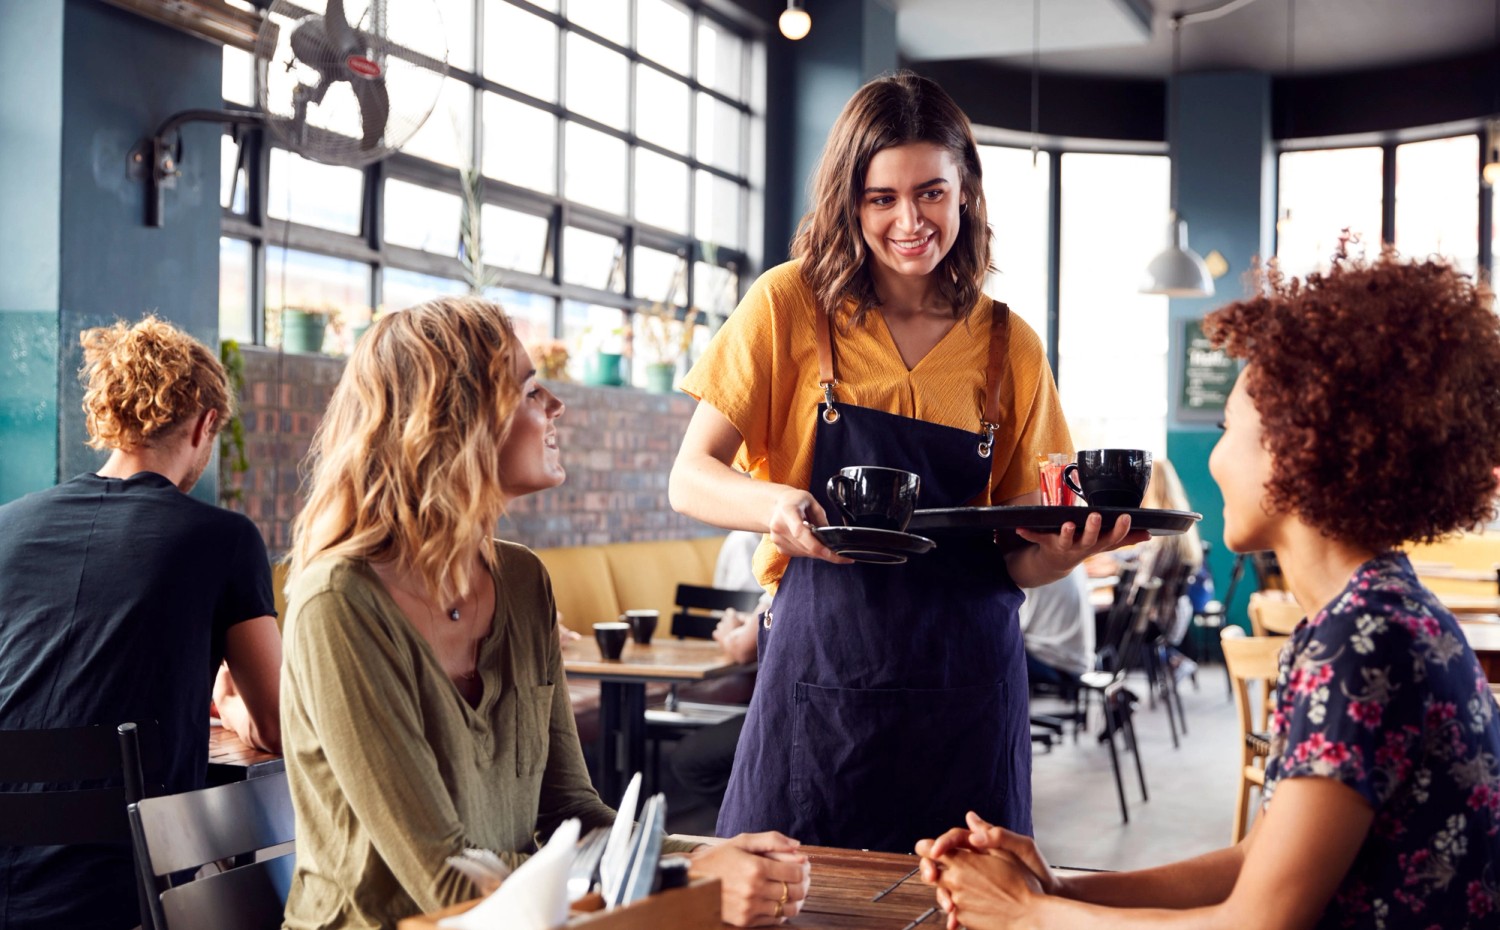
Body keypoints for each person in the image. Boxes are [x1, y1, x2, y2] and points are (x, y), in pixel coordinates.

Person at [916, 252, 1500, 928]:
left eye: (1227, 429)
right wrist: (1056, 891)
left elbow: (1253, 922)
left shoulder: (1362, 646)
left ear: (1297, 448)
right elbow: (1256, 861)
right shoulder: (1375, 615)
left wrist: (1024, 916)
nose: (1216, 457)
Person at [669, 71, 1143, 853]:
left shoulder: (1008, 346)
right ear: (847, 201)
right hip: (820, 682)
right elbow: (690, 475)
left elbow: (1013, 562)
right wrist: (774, 508)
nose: (908, 220)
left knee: (965, 905)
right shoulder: (788, 307)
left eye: (931, 192)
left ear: (966, 194)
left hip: (969, 698)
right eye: (880, 198)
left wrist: (1063, 556)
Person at [280, 296, 810, 930]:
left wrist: (715, 854)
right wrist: (693, 878)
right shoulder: (340, 604)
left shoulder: (523, 581)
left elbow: (571, 812)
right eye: (531, 390)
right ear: (458, 421)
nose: (556, 406)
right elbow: (444, 880)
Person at [0, 315, 281, 930]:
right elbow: (279, 725)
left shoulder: (7, 526)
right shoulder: (222, 540)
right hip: (128, 898)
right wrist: (226, 701)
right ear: (206, 424)